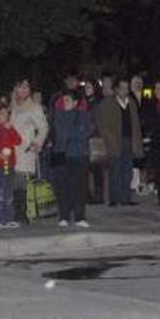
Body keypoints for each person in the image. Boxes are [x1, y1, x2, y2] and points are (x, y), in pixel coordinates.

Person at [95, 79, 143, 206]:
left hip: (128, 140)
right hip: (114, 141)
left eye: (126, 88)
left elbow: (136, 124)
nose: (125, 90)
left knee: (127, 170)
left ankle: (126, 197)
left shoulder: (131, 103)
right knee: (115, 170)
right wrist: (109, 139)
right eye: (122, 88)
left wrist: (137, 142)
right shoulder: (107, 104)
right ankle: (114, 198)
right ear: (116, 89)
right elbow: (101, 123)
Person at [9, 79, 49, 223]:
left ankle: (22, 214)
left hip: (26, 149)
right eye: (21, 87)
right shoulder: (14, 106)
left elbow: (44, 127)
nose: (25, 90)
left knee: (23, 181)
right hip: (12, 150)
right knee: (15, 182)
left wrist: (37, 142)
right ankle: (17, 213)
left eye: (27, 87)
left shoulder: (34, 107)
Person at [52, 90, 93, 227]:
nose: (65, 103)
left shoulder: (83, 115)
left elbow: (86, 131)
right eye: (64, 100)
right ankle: (63, 216)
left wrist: (73, 133)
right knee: (62, 186)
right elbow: (59, 132)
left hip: (78, 154)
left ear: (76, 102)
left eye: (68, 100)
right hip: (60, 153)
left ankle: (79, 216)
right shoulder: (58, 115)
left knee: (78, 186)